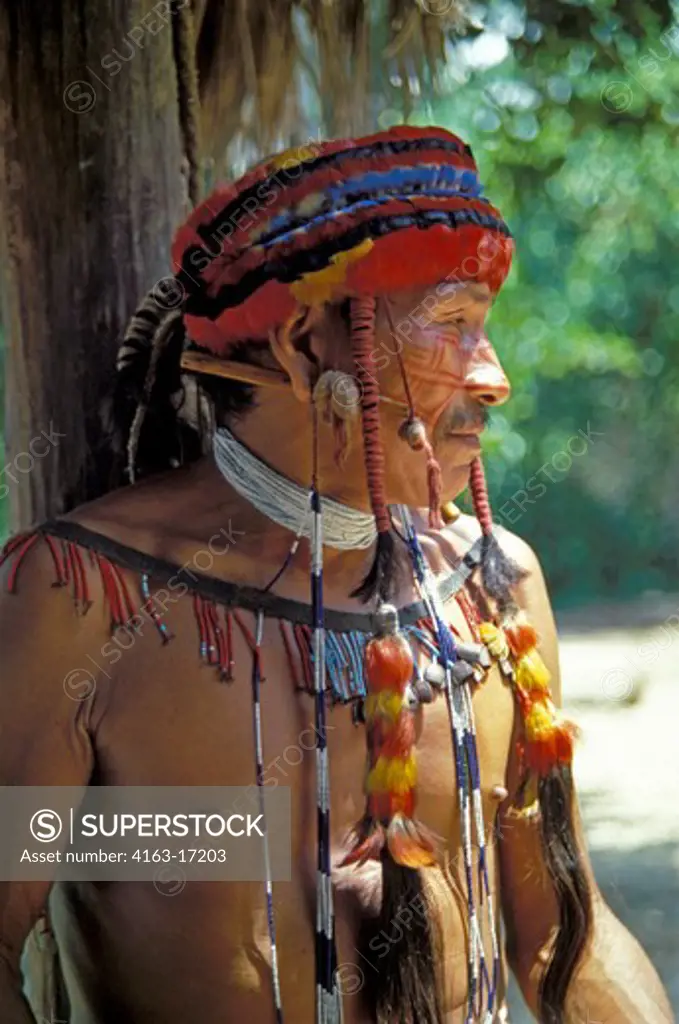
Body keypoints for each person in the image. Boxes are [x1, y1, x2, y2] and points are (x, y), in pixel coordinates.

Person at [0, 125, 672, 1024]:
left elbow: (562, 940)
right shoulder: (83, 601)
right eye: (452, 325)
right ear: (305, 343)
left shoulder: (492, 592)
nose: (496, 377)